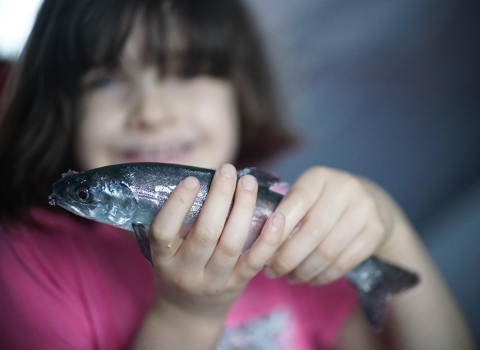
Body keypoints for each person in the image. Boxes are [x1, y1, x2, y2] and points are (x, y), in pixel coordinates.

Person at [0, 0, 474, 349]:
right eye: (104, 80)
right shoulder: (25, 263)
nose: (152, 112)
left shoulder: (303, 225)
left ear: (239, 92)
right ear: (57, 106)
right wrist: (186, 315)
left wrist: (389, 231)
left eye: (186, 71)